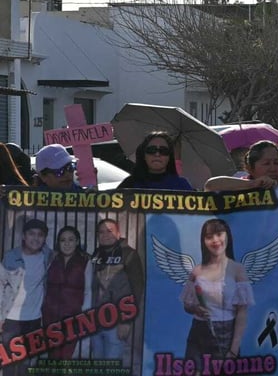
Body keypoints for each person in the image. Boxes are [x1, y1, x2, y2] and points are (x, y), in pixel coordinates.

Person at [204, 140, 278, 375]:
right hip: (233, 293)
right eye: (267, 163)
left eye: (277, 162)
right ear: (251, 167)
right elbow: (210, 184)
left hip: (277, 294)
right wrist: (252, 185)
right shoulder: (233, 195)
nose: (274, 168)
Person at [178, 219, 254, 363]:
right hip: (198, 332)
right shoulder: (197, 271)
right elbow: (187, 306)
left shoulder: (237, 270)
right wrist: (196, 309)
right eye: (209, 237)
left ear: (227, 236)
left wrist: (234, 349)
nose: (215, 240)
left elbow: (242, 312)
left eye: (219, 234)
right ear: (203, 241)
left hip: (226, 333)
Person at [1, 218, 53, 376]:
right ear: (23, 236)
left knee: (27, 363)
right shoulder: (11, 256)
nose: (35, 238)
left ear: (44, 238)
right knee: (9, 362)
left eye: (40, 235)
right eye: (31, 234)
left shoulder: (47, 255)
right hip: (11, 319)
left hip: (34, 319)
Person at [90, 219, 145, 363]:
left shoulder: (129, 254)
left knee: (111, 368)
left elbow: (137, 289)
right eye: (101, 232)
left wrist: (126, 322)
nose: (105, 235)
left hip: (116, 322)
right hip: (95, 320)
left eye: (109, 231)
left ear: (118, 233)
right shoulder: (96, 254)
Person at [42, 226, 92, 359]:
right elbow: (43, 286)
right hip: (50, 316)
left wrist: (84, 314)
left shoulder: (85, 262)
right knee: (52, 355)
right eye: (63, 240)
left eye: (71, 239)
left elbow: (88, 290)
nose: (67, 243)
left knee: (66, 356)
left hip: (73, 317)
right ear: (58, 243)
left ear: (77, 242)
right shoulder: (51, 259)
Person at [118, 131, 192, 190]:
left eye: (163, 150)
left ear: (170, 156)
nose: (157, 154)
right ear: (143, 155)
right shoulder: (129, 185)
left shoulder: (182, 185)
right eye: (151, 150)